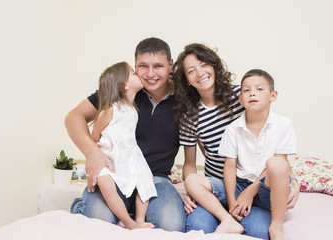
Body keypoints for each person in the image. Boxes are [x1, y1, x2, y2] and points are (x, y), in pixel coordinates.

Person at [172, 44, 299, 239]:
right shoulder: (190, 115)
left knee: (259, 232)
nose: (200, 73)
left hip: (253, 181)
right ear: (187, 80)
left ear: (214, 66)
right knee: (197, 226)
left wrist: (294, 181)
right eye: (191, 71)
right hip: (216, 185)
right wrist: (192, 192)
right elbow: (189, 164)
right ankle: (227, 218)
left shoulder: (243, 95)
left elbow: (275, 150)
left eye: (204, 64)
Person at [65, 37, 186, 231]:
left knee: (170, 223)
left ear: (170, 66)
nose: (150, 73)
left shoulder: (184, 96)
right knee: (98, 218)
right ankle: (81, 207)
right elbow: (73, 118)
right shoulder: (120, 90)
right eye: (143, 66)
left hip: (155, 177)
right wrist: (93, 153)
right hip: (115, 172)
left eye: (158, 66)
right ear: (135, 66)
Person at [218, 69, 297, 240]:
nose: (252, 93)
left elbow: (282, 162)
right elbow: (229, 166)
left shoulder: (283, 124)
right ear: (240, 99)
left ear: (273, 95)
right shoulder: (233, 129)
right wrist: (233, 203)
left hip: (269, 186)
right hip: (241, 184)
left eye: (259, 89)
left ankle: (277, 226)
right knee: (196, 182)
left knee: (276, 163)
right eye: (246, 90)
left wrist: (251, 191)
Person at [90, 61, 157, 229]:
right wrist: (99, 158)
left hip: (130, 155)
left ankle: (140, 221)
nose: (139, 74)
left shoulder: (133, 110)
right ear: (124, 84)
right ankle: (128, 222)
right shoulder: (110, 110)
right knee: (105, 182)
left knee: (145, 181)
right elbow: (94, 137)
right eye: (134, 73)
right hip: (110, 158)